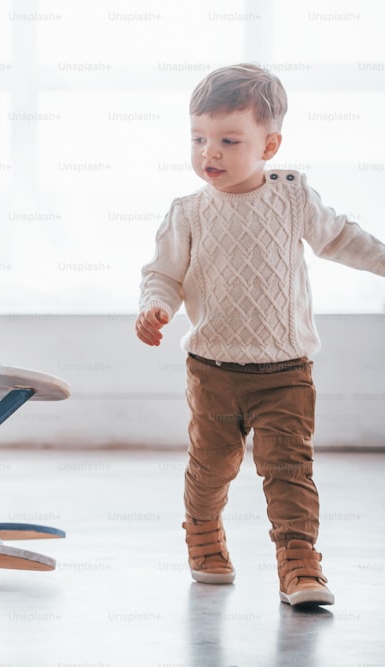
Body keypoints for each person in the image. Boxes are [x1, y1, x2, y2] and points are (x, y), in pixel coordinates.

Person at [136, 63, 385, 607]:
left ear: (269, 144)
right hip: (213, 369)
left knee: (289, 468)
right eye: (199, 139)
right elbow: (163, 275)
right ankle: (202, 535)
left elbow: (341, 238)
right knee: (212, 465)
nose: (211, 153)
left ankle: (299, 562)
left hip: (286, 369)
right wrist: (155, 306)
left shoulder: (292, 195)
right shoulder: (189, 211)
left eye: (229, 140)